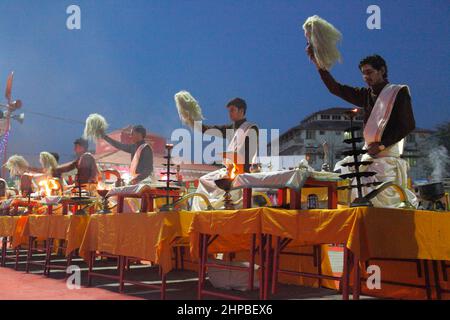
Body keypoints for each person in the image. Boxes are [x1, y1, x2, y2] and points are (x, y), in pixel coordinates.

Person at [306, 48, 418, 207]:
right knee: (343, 172)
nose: (366, 77)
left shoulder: (397, 93)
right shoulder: (365, 94)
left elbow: (408, 125)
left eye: (370, 72)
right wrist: (319, 65)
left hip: (387, 156)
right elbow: (336, 89)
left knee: (374, 192)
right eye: (363, 74)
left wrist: (381, 145)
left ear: (382, 71)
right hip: (369, 155)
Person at [192, 97, 259, 210]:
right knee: (204, 180)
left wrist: (235, 164)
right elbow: (210, 129)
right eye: (229, 111)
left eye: (232, 110)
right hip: (230, 170)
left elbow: (248, 155)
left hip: (243, 171)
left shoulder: (250, 128)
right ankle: (199, 212)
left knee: (230, 188)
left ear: (241, 111)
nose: (230, 113)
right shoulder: (231, 128)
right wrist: (192, 121)